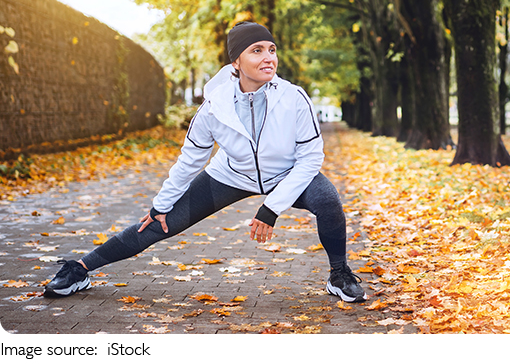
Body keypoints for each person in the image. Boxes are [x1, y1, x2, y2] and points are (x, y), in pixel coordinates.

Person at [43, 21, 367, 303]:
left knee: (328, 201)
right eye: (257, 50)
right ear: (236, 61)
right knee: (159, 223)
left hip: (288, 174)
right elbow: (189, 160)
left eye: (271, 49)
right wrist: (161, 205)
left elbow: (311, 158)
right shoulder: (214, 107)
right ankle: (80, 269)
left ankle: (339, 274)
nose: (269, 57)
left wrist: (272, 207)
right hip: (231, 175)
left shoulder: (294, 97)